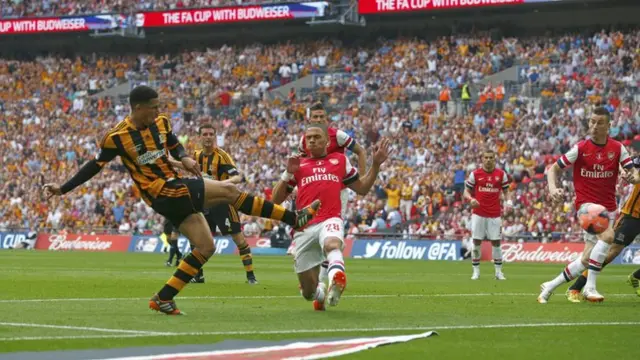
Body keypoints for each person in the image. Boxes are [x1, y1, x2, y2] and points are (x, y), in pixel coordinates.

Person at [43, 85, 320, 315]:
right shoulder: (116, 137)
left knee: (206, 246)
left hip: (176, 185)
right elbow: (94, 165)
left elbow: (173, 142)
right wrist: (63, 188)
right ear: (138, 108)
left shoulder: (161, 123)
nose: (158, 111)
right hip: (161, 192)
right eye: (153, 106)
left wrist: (185, 157)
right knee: (229, 192)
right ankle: (295, 218)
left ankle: (164, 298)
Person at [272, 123, 391, 311]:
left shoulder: (340, 161)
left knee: (332, 245)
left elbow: (362, 188)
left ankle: (336, 278)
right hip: (304, 227)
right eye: (308, 137)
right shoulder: (298, 165)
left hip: (330, 219)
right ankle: (320, 292)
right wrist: (287, 174)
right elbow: (275, 199)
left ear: (327, 142)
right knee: (307, 292)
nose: (311, 140)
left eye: (316, 137)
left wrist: (375, 164)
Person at [538, 106, 638, 304]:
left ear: (609, 126)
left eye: (599, 123)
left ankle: (549, 286)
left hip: (608, 208)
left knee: (586, 259)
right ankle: (589, 288)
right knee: (609, 236)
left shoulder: (618, 148)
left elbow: (634, 174)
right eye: (592, 122)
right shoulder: (581, 148)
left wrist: (631, 177)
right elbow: (552, 170)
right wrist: (552, 189)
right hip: (585, 206)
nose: (594, 126)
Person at [171, 123, 258, 284]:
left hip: (222, 201)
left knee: (238, 239)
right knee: (195, 239)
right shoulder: (196, 155)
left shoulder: (222, 156)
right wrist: (170, 161)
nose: (208, 137)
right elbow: (187, 166)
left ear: (215, 136)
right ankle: (198, 275)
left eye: (211, 134)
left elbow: (238, 177)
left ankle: (251, 276)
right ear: (200, 137)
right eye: (205, 134)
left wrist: (224, 184)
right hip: (203, 201)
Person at [298, 102, 367, 284]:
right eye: (316, 117)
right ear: (310, 119)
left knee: (329, 234)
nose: (319, 119)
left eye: (322, 117)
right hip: (312, 192)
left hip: (337, 192)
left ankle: (323, 279)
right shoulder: (305, 139)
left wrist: (362, 178)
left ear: (327, 118)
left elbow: (360, 151)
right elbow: (301, 164)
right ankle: (312, 275)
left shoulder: (338, 135)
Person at [565, 154, 640, 302]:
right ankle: (576, 287)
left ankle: (636, 277)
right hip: (633, 215)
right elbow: (626, 162)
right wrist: (625, 172)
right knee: (611, 252)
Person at [463, 148, 513, 280]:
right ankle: (476, 271)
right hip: (478, 213)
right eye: (486, 157)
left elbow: (507, 191)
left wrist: (509, 201)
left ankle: (498, 272)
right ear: (482, 159)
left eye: (491, 157)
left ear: (494, 159)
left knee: (496, 243)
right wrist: (471, 199)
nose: (489, 160)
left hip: (494, 213)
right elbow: (466, 191)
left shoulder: (501, 174)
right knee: (476, 242)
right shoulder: (475, 174)